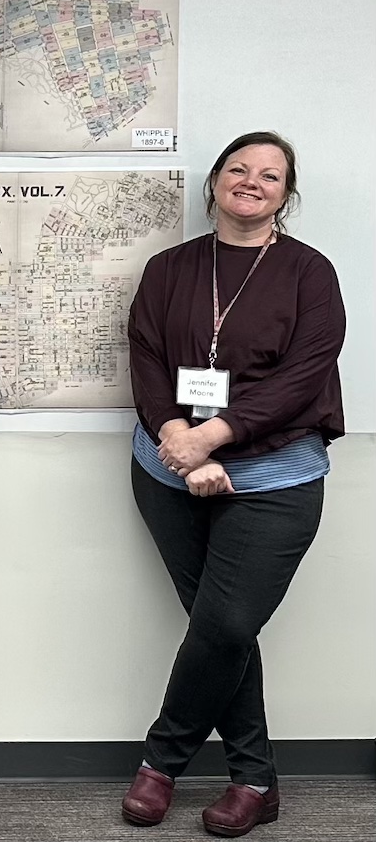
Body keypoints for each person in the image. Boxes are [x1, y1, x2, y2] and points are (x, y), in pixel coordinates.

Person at [119, 132, 344, 838]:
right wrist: (177, 443)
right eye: (239, 169)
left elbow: (303, 378)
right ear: (214, 180)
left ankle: (161, 761)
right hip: (168, 471)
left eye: (269, 175)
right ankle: (255, 779)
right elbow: (149, 359)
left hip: (275, 475)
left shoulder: (310, 273)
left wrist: (211, 437)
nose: (252, 181)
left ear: (286, 192)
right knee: (222, 631)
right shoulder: (169, 268)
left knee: (224, 624)